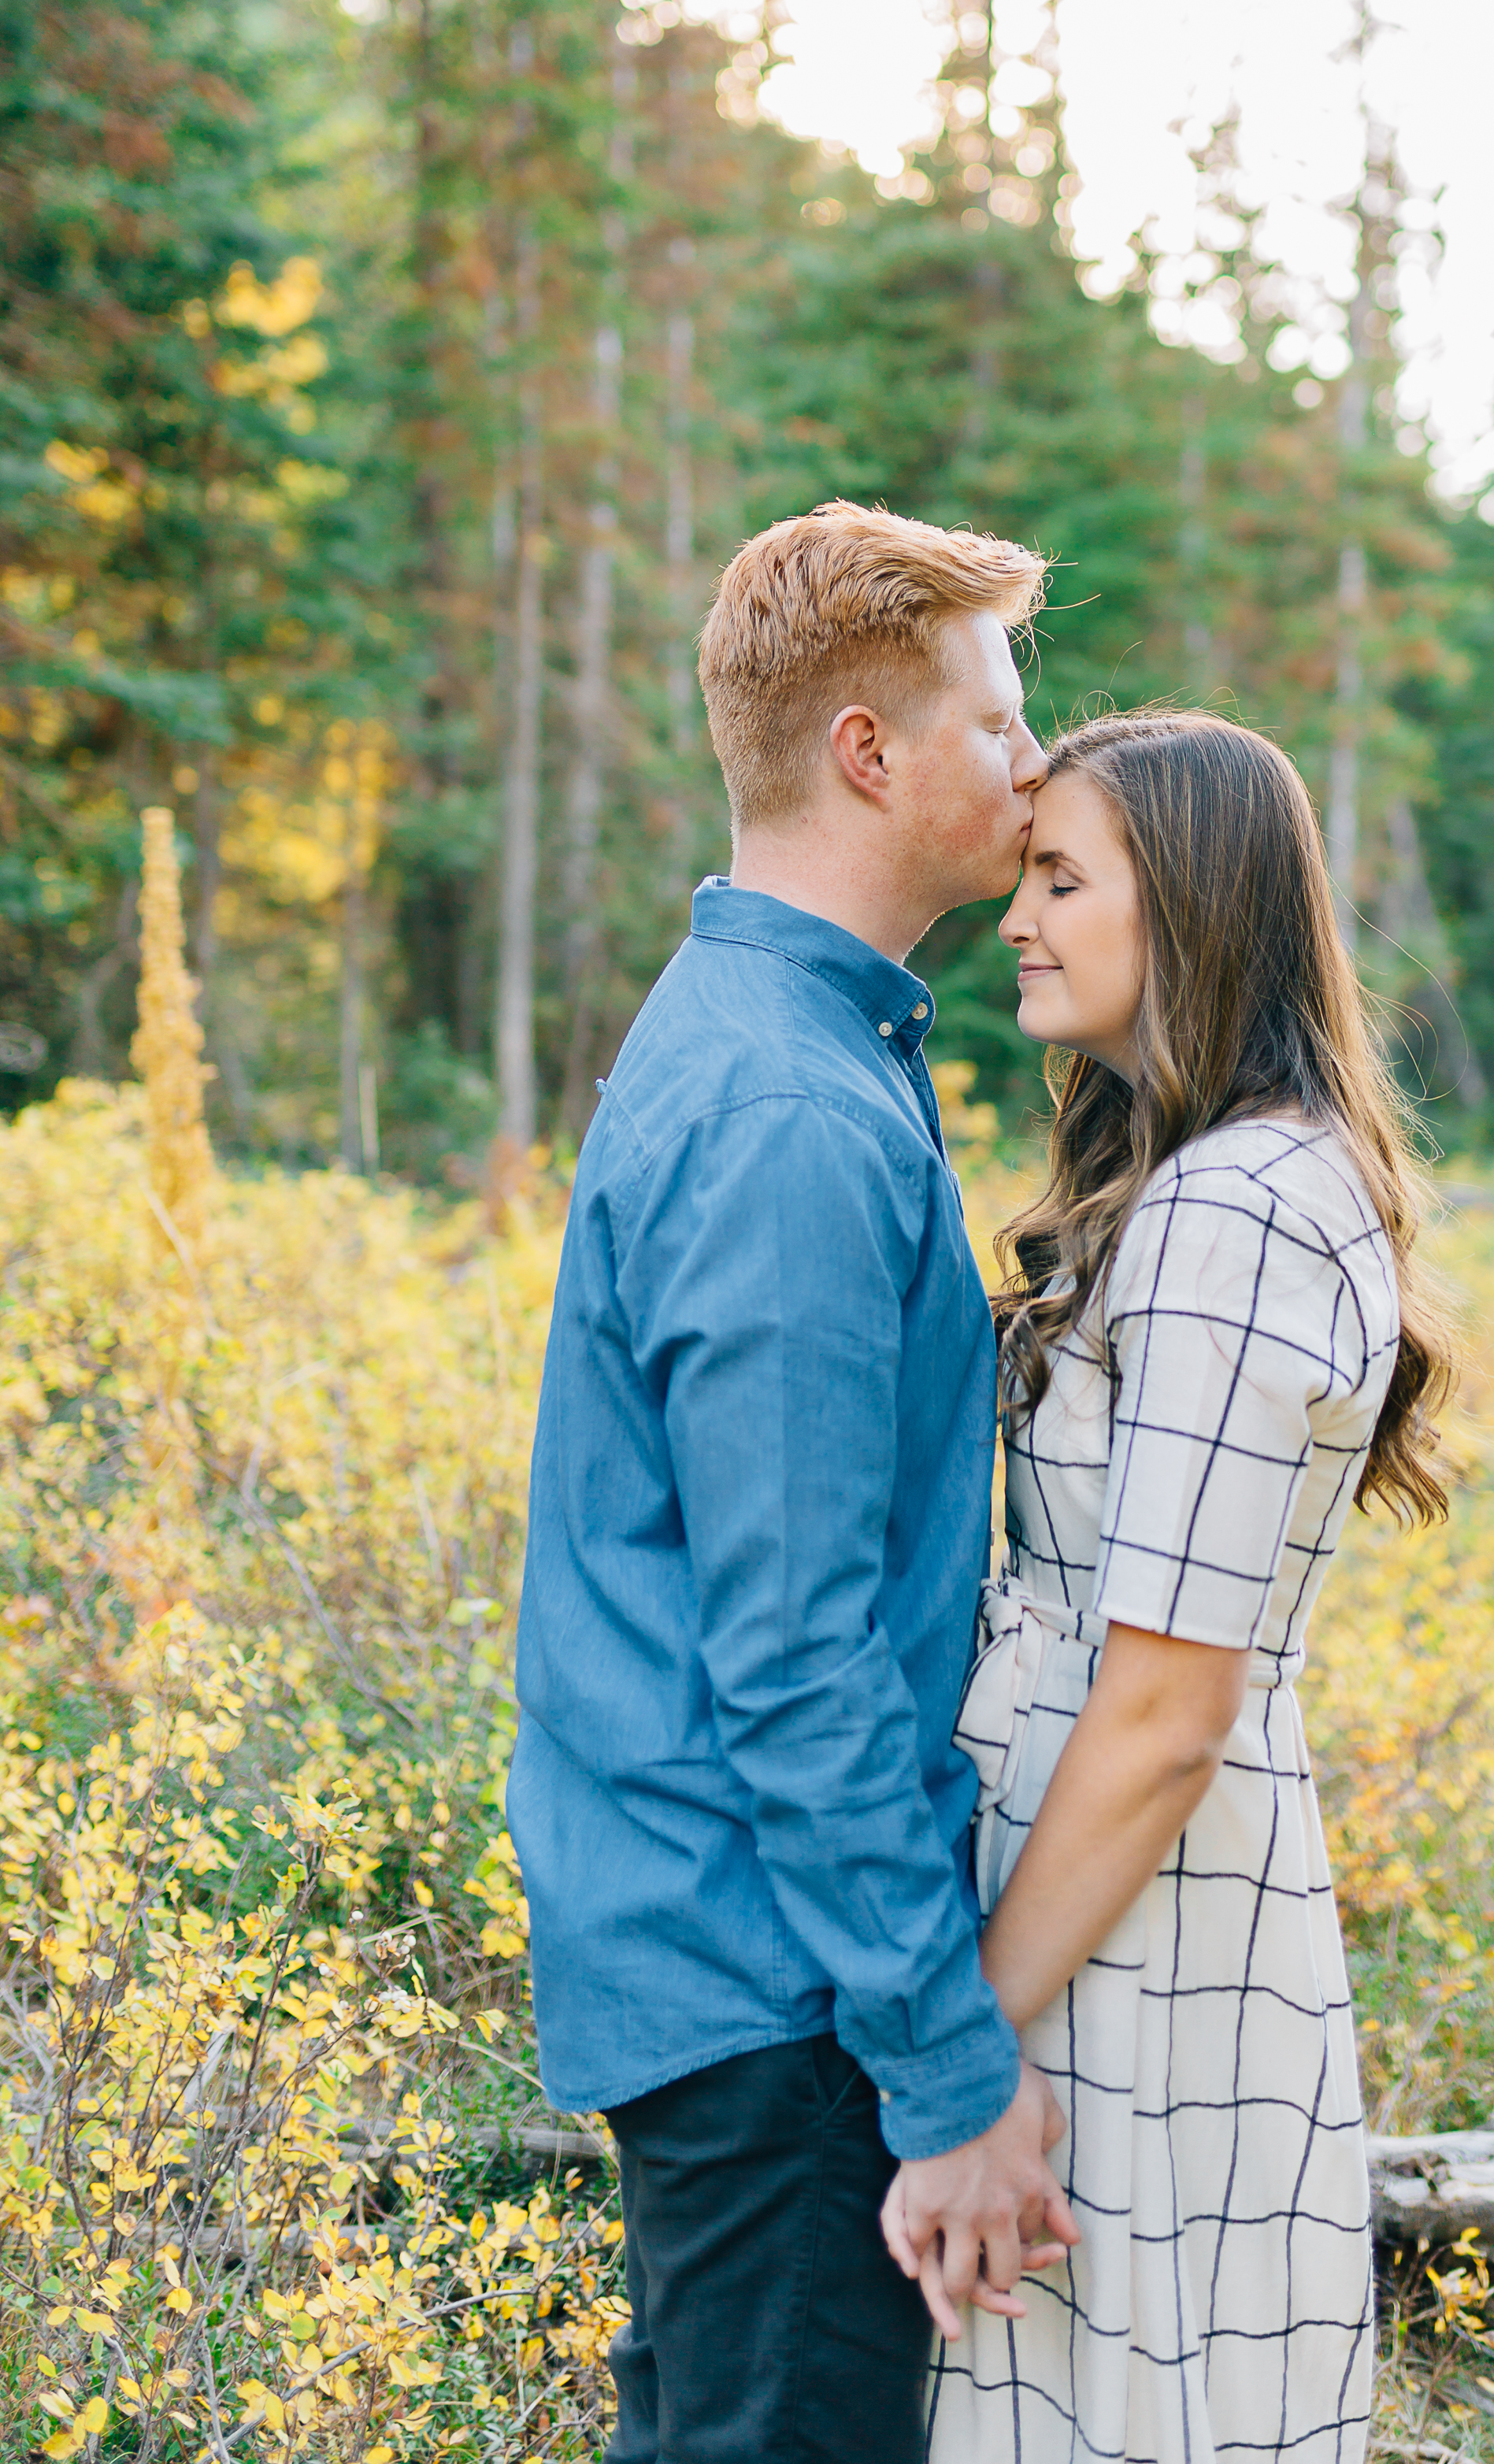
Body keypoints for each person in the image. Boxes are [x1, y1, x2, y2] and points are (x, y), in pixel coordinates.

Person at [507, 499, 1080, 2464]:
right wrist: (942, 2068)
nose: (1033, 759)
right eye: (998, 720)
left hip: (737, 1964)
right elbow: (793, 1654)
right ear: (865, 750)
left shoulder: (793, 1048)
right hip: (775, 1993)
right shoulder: (781, 1111)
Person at [892, 709, 1455, 2463]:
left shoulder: (1234, 1208)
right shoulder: (1215, 1181)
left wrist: (962, 2063)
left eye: (1062, 879)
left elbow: (1161, 1709)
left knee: (1113, 2392)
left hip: (1125, 1907)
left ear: (1195, 909)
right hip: (1121, 1880)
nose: (1015, 917)